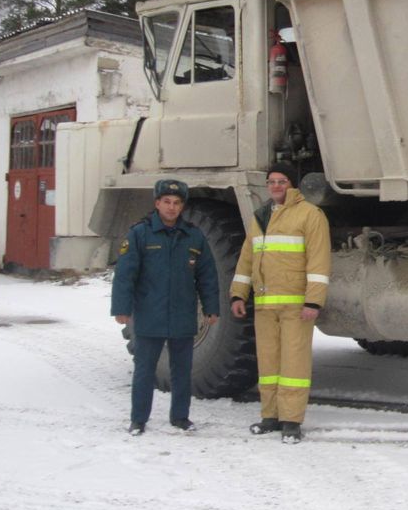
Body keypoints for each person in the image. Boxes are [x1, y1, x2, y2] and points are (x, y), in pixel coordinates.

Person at [230, 163, 331, 444]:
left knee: (294, 365)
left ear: (293, 185)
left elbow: (319, 262)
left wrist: (313, 301)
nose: (276, 186)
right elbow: (246, 258)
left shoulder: (310, 215)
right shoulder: (261, 217)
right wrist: (239, 293)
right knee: (269, 363)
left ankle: (292, 421)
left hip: (296, 306)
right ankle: (270, 416)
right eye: (271, 182)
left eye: (282, 181)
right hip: (265, 304)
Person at [111, 179, 220, 436]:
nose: (172, 208)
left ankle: (180, 417)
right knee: (145, 370)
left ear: (182, 206)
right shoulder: (140, 234)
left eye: (177, 203)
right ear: (157, 203)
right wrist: (121, 309)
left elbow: (207, 276)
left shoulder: (193, 236)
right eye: (167, 202)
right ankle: (138, 419)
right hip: (149, 314)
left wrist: (211, 308)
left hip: (182, 314)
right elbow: (125, 274)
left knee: (182, 371)